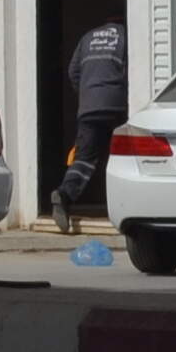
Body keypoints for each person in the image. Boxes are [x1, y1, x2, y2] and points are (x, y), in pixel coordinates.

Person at [59, 16, 128, 231]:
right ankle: (123, 206)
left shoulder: (87, 37)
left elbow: (73, 71)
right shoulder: (125, 36)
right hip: (115, 106)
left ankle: (64, 194)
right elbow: (130, 71)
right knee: (122, 157)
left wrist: (87, 94)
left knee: (84, 158)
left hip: (88, 107)